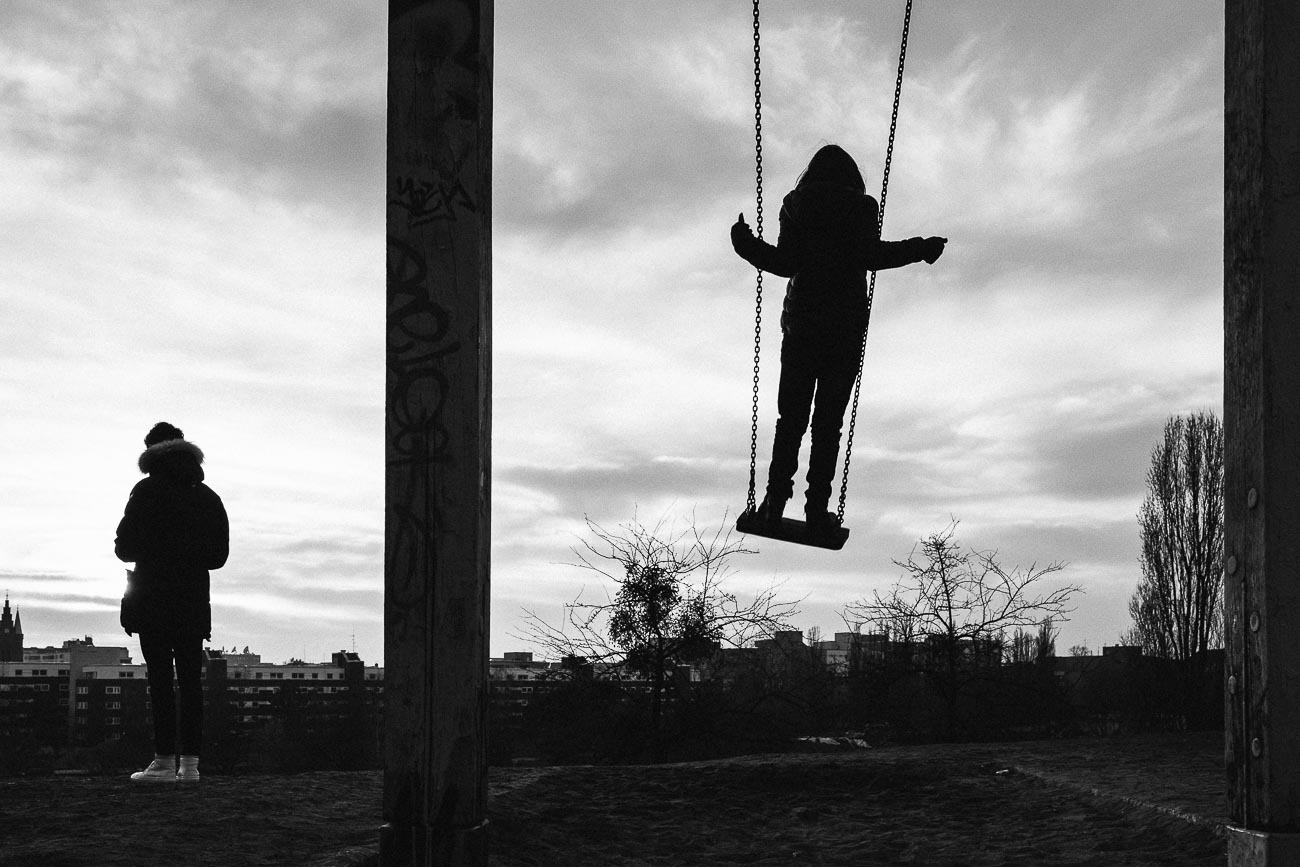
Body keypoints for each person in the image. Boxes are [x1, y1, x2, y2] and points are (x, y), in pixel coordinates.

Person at [731, 143, 946, 535]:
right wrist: (920, 249)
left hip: (801, 328)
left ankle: (773, 503)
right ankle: (817, 511)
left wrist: (745, 245)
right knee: (828, 424)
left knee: (790, 420)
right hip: (843, 332)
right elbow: (873, 255)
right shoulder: (861, 208)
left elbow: (784, 263)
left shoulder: (795, 205)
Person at [116, 422, 229, 783]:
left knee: (161, 680)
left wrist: (156, 548)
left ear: (150, 453)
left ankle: (163, 763)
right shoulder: (208, 496)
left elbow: (124, 548)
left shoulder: (145, 492)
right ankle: (191, 766)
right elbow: (218, 556)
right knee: (191, 683)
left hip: (151, 599)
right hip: (192, 600)